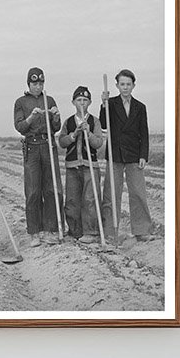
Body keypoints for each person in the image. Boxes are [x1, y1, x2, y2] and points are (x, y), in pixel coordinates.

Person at [99, 68, 155, 243]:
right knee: (111, 194)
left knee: (138, 192)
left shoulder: (140, 107)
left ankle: (142, 230)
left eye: (128, 84)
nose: (125, 87)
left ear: (133, 86)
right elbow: (103, 123)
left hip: (134, 154)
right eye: (122, 84)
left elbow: (144, 133)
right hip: (114, 153)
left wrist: (143, 155)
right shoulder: (111, 103)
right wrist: (103, 104)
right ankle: (110, 232)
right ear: (117, 85)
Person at [13, 66, 63, 247]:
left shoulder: (48, 99)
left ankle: (51, 229)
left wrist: (56, 117)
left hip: (48, 145)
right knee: (33, 190)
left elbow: (56, 127)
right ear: (28, 83)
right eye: (34, 83)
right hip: (32, 147)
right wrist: (31, 118)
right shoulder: (21, 102)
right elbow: (19, 127)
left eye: (40, 83)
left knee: (51, 188)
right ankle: (34, 231)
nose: (37, 86)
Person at [58, 86, 106, 244]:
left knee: (90, 199)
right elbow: (62, 142)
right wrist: (74, 135)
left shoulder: (94, 121)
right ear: (73, 102)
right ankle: (74, 231)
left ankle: (91, 232)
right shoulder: (69, 122)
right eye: (79, 100)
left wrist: (88, 132)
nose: (82, 103)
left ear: (90, 102)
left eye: (85, 100)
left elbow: (98, 143)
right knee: (72, 200)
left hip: (90, 165)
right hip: (72, 166)